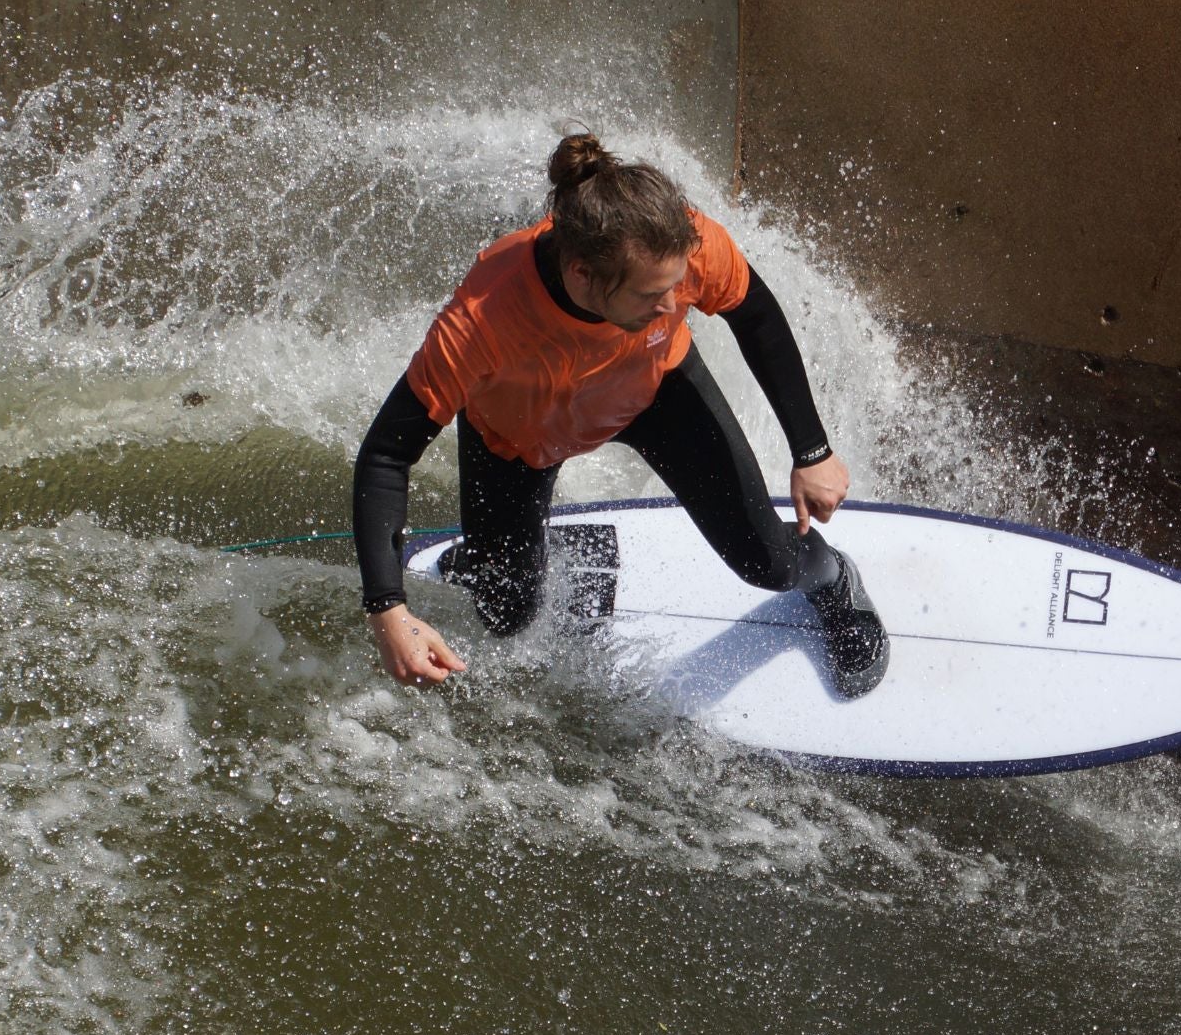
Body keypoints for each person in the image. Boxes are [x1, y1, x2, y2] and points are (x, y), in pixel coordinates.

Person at [351, 132, 887, 696]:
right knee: (505, 615)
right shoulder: (483, 319)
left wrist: (813, 452)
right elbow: (387, 453)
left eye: (676, 286)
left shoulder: (683, 242)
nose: (672, 303)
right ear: (581, 272)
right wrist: (388, 611)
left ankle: (834, 580)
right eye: (650, 296)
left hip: (659, 397)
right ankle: (512, 553)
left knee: (770, 566)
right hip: (520, 438)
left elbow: (756, 316)